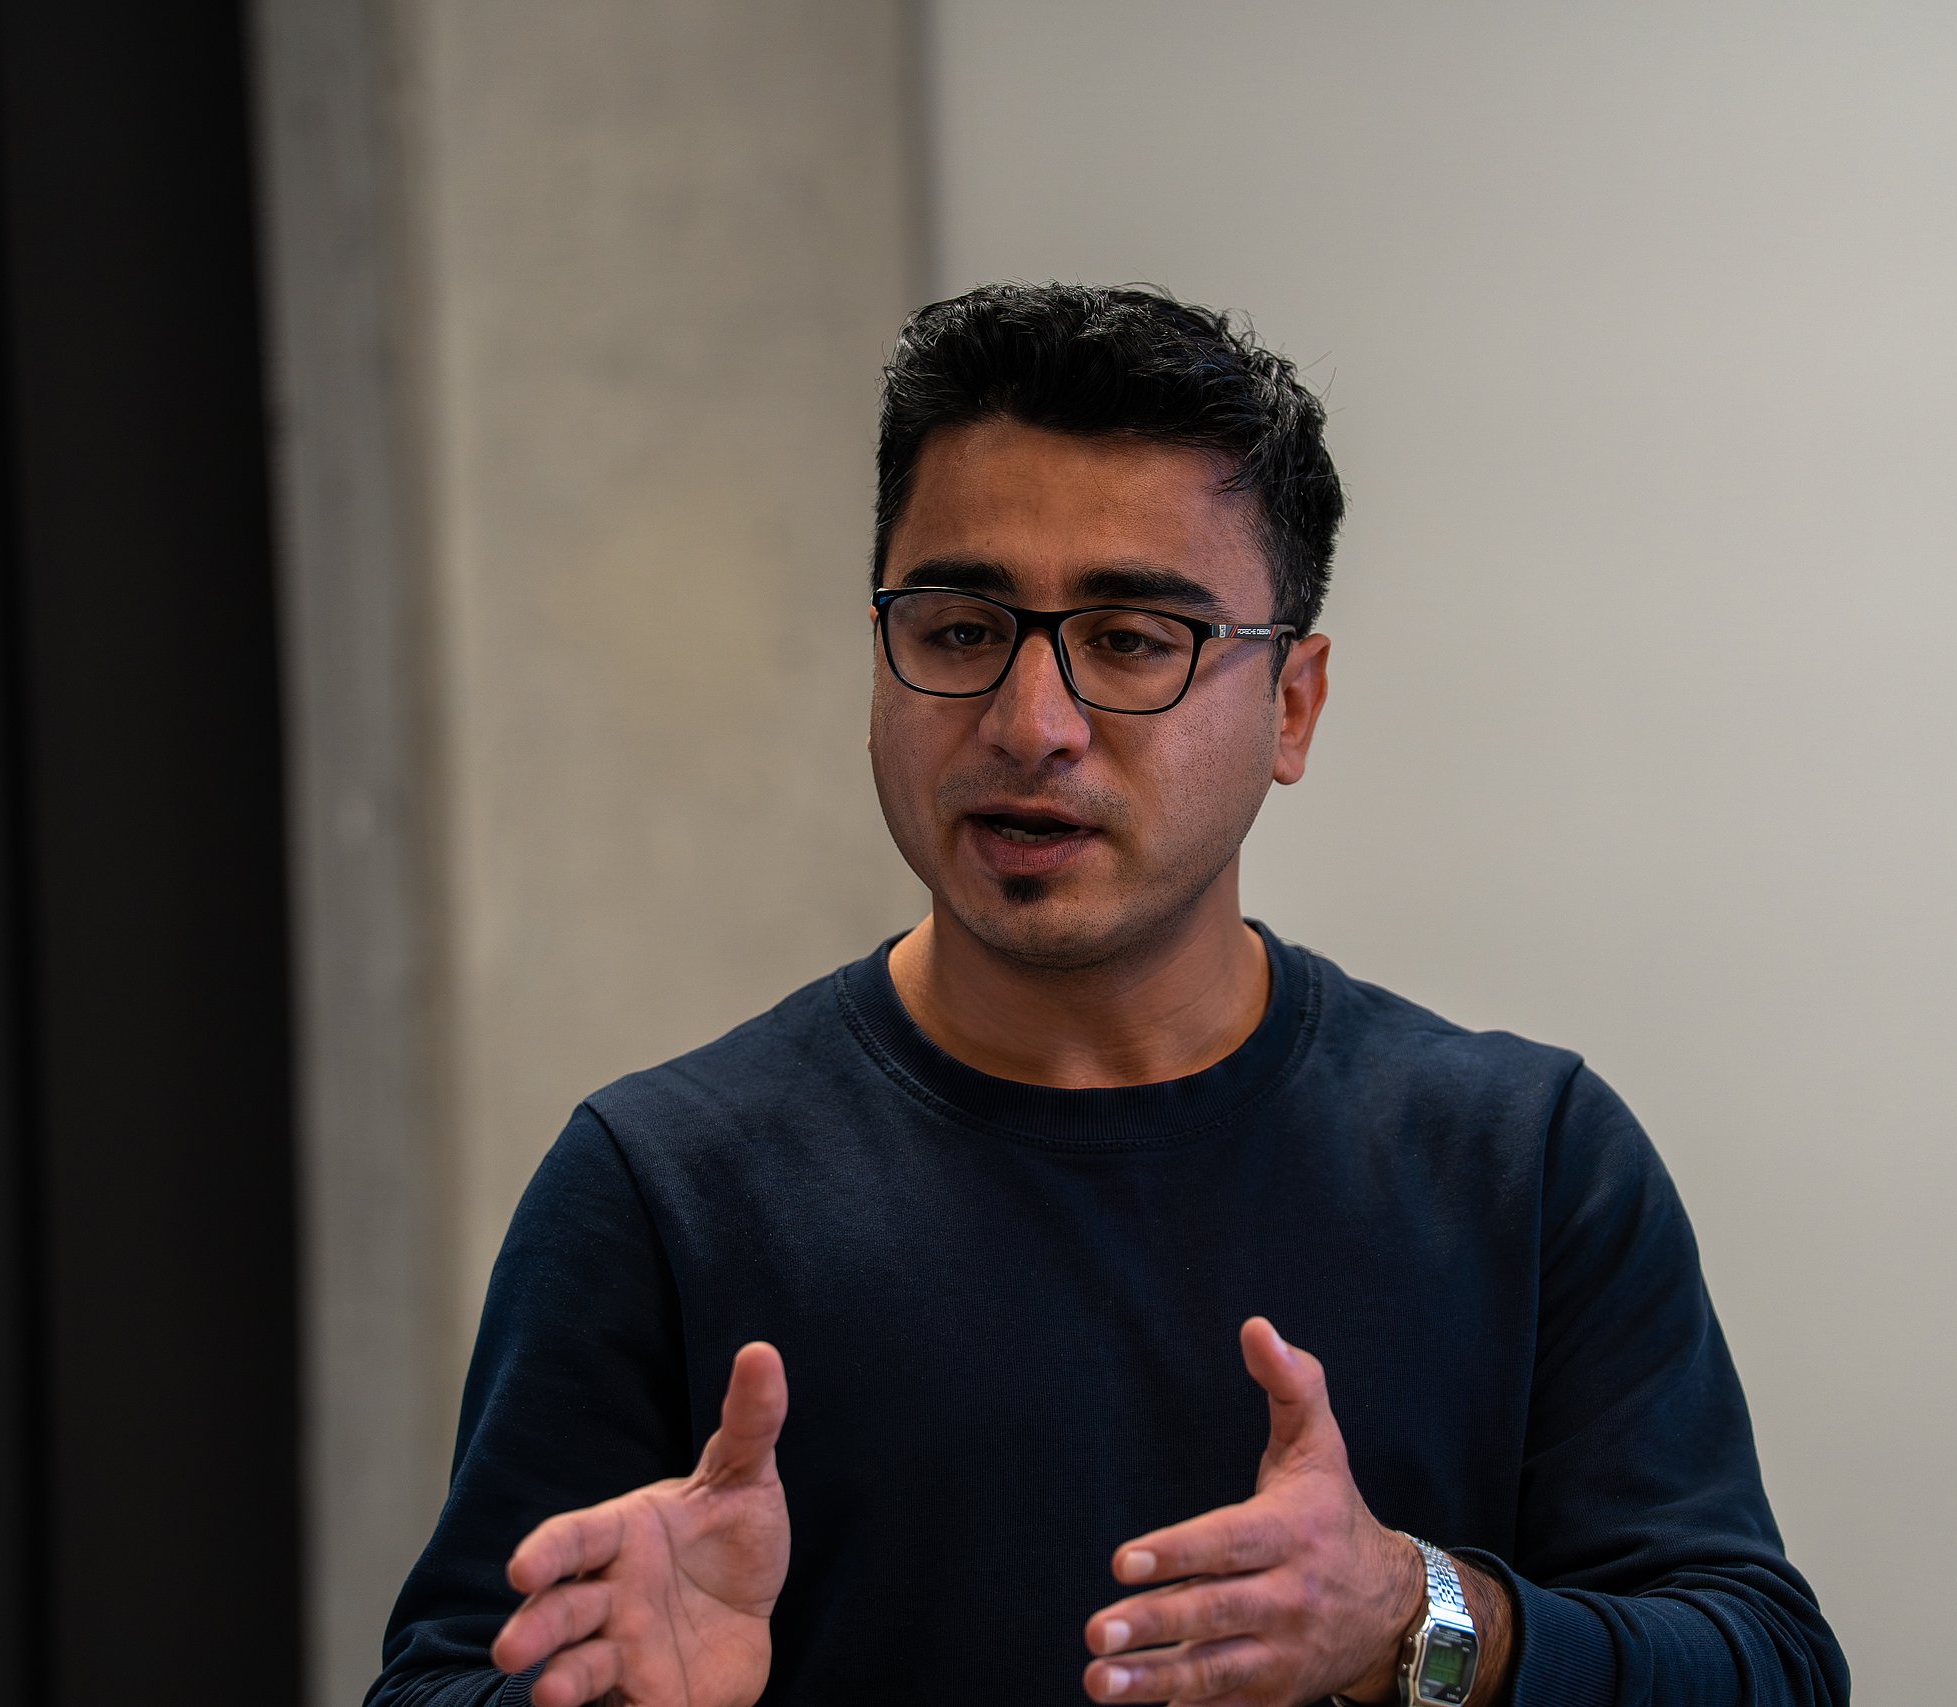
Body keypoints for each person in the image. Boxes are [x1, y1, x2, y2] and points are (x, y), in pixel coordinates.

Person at [368, 284, 1848, 1707]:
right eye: (960, 630)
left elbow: (1767, 1666)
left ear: (1292, 707)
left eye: (1134, 642)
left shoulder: (1523, 1162)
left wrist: (1413, 1617)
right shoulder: (661, 1188)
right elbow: (444, 1676)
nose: (1033, 725)